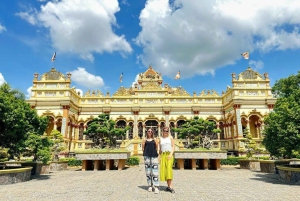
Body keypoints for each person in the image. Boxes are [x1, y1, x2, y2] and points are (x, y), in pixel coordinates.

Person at [142, 128, 160, 194]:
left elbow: (157, 147)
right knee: (148, 172)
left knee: (155, 172)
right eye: (148, 131)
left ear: (153, 132)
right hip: (147, 156)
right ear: (147, 132)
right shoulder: (144, 140)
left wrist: (156, 153)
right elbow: (143, 148)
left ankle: (156, 186)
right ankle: (149, 185)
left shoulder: (155, 140)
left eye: (151, 131)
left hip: (154, 156)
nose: (149, 132)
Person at [159, 127, 175, 193]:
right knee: (165, 170)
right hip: (163, 155)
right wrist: (159, 156)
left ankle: (171, 186)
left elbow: (173, 146)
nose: (165, 132)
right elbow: (160, 149)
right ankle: (168, 186)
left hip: (169, 154)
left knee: (169, 170)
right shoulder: (160, 139)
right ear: (162, 131)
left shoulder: (170, 138)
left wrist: (171, 154)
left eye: (167, 131)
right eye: (164, 131)